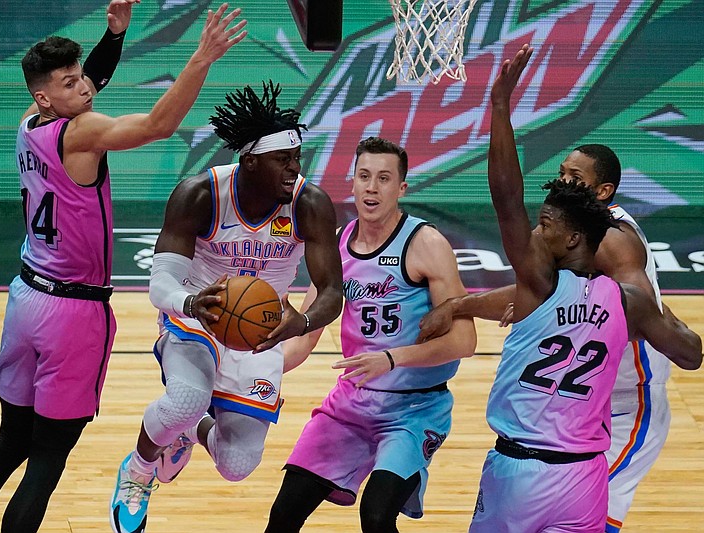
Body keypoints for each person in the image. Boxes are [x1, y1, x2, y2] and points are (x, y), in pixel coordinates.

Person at [0, 3, 247, 532]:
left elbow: (88, 81)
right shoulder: (80, 134)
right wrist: (201, 58)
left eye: (82, 75)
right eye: (70, 82)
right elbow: (158, 124)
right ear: (46, 96)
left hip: (25, 299)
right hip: (70, 314)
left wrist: (114, 35)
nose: (84, 87)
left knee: (9, 443)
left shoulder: (30, 122)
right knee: (47, 458)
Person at [450, 44, 701, 532]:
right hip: (579, 434)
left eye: (572, 178)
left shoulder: (613, 255)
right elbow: (687, 350)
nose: (561, 183)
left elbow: (506, 201)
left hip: (623, 410)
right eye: (560, 174)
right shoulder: (576, 272)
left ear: (600, 197)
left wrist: (500, 104)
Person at [109, 80, 344, 533]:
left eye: (297, 158)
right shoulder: (199, 194)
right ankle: (138, 471)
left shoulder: (309, 204)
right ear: (250, 161)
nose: (294, 170)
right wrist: (191, 303)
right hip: (199, 312)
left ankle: (189, 431)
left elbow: (332, 290)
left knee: (237, 464)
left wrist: (304, 321)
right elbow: (160, 284)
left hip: (260, 330)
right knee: (185, 398)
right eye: (283, 160)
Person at [263, 137, 477, 533]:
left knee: (376, 516)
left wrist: (393, 358)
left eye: (383, 178)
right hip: (351, 405)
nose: (372, 187)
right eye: (364, 176)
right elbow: (307, 334)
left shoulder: (426, 244)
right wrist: (258, 373)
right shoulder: (339, 244)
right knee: (283, 515)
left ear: (401, 189)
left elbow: (465, 342)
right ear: (353, 182)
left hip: (413, 409)